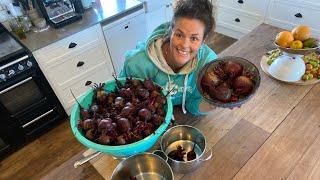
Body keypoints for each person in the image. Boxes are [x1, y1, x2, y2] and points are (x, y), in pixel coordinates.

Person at [119, 0, 217, 116]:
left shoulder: (207, 64)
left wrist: (215, 102)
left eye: (194, 38)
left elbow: (192, 105)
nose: (185, 45)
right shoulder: (137, 64)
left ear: (203, 41)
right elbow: (123, 103)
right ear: (171, 31)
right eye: (179, 35)